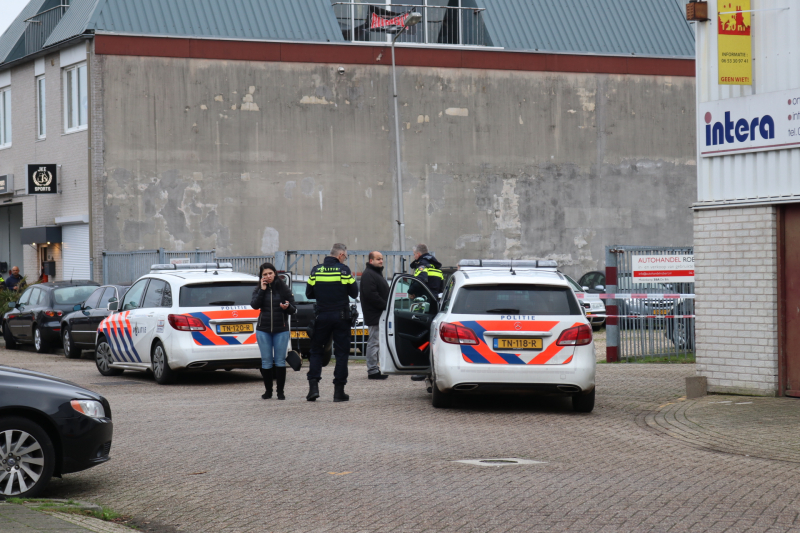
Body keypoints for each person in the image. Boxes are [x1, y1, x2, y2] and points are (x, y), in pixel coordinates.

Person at [305, 243, 358, 402]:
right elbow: (354, 292)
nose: (345, 259)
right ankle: (338, 392)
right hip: (341, 317)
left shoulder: (316, 270)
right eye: (345, 256)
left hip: (322, 316)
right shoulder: (344, 270)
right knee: (341, 353)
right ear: (340, 254)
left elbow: (309, 294)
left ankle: (313, 388)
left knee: (316, 351)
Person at [250, 262, 296, 400]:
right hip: (263, 330)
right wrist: (262, 290)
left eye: (270, 273)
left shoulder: (283, 288)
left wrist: (287, 307)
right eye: (265, 274)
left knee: (280, 361)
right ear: (261, 276)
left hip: (281, 329)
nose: (268, 276)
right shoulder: (259, 289)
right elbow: (254, 305)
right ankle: (268, 391)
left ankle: (280, 392)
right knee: (266, 361)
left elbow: (293, 309)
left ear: (275, 273)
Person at [408, 244, 443, 382]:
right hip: (435, 304)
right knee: (432, 337)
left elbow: (420, 280)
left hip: (425, 305)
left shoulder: (422, 265)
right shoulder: (436, 266)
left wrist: (411, 292)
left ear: (417, 254)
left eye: (414, 254)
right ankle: (430, 368)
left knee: (422, 337)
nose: (414, 257)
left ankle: (423, 369)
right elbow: (440, 287)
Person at [359, 251, 390, 380]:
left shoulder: (375, 273)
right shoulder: (369, 274)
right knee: (374, 342)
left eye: (382, 259)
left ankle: (377, 368)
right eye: (378, 259)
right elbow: (371, 295)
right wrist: (386, 306)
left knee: (377, 342)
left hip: (379, 313)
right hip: (375, 314)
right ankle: (372, 370)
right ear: (371, 261)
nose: (381, 261)